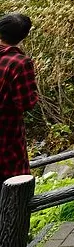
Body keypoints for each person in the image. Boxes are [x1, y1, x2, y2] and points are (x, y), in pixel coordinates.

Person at [0, 13, 38, 184]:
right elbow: (26, 102)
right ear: (23, 35)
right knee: (12, 194)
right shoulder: (19, 63)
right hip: (7, 141)